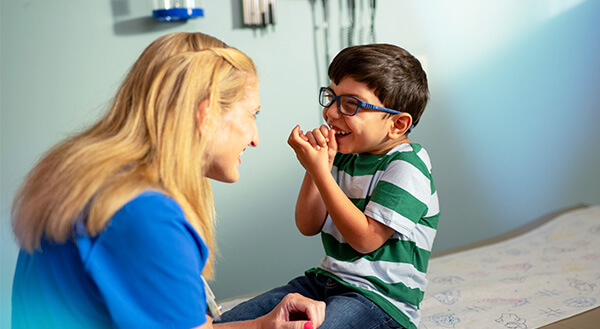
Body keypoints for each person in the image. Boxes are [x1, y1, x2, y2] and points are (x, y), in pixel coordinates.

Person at [11, 32, 325, 329]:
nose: (255, 138)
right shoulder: (143, 215)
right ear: (208, 115)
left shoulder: (92, 181)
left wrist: (261, 325)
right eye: (252, 115)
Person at [217, 44, 440, 329]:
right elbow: (308, 224)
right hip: (324, 282)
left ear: (397, 124)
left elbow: (366, 240)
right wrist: (316, 168)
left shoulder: (408, 165)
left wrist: (321, 171)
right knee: (230, 322)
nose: (331, 112)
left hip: (380, 302)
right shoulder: (345, 156)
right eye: (331, 97)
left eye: (351, 104)